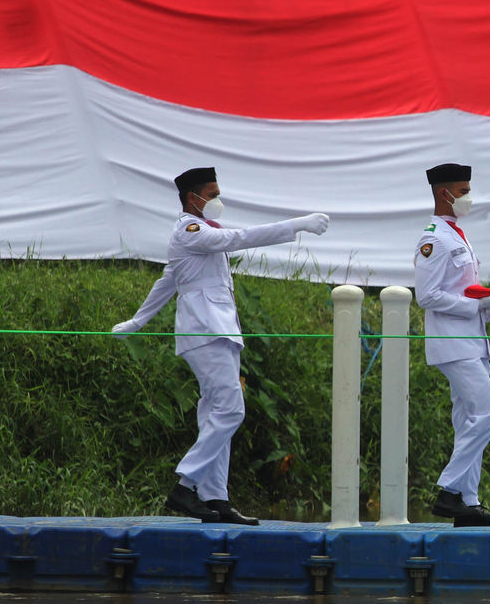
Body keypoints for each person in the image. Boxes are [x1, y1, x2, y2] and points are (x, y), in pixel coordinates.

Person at [111, 167, 330, 526]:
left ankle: (215, 498)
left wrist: (139, 320)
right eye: (211, 195)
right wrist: (297, 224)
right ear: (192, 198)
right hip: (205, 333)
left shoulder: (201, 232)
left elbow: (169, 281)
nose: (217, 201)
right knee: (231, 411)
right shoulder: (190, 230)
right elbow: (239, 238)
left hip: (219, 332)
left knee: (215, 415)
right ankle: (185, 485)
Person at [414, 163, 490, 527]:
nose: (468, 197)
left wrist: (489, 301)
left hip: (472, 340)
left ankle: (467, 502)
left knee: (468, 419)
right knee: (489, 411)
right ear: (445, 193)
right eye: (464, 190)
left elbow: (461, 287)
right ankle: (448, 489)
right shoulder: (434, 238)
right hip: (451, 343)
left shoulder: (458, 234)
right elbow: (427, 296)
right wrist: (475, 305)